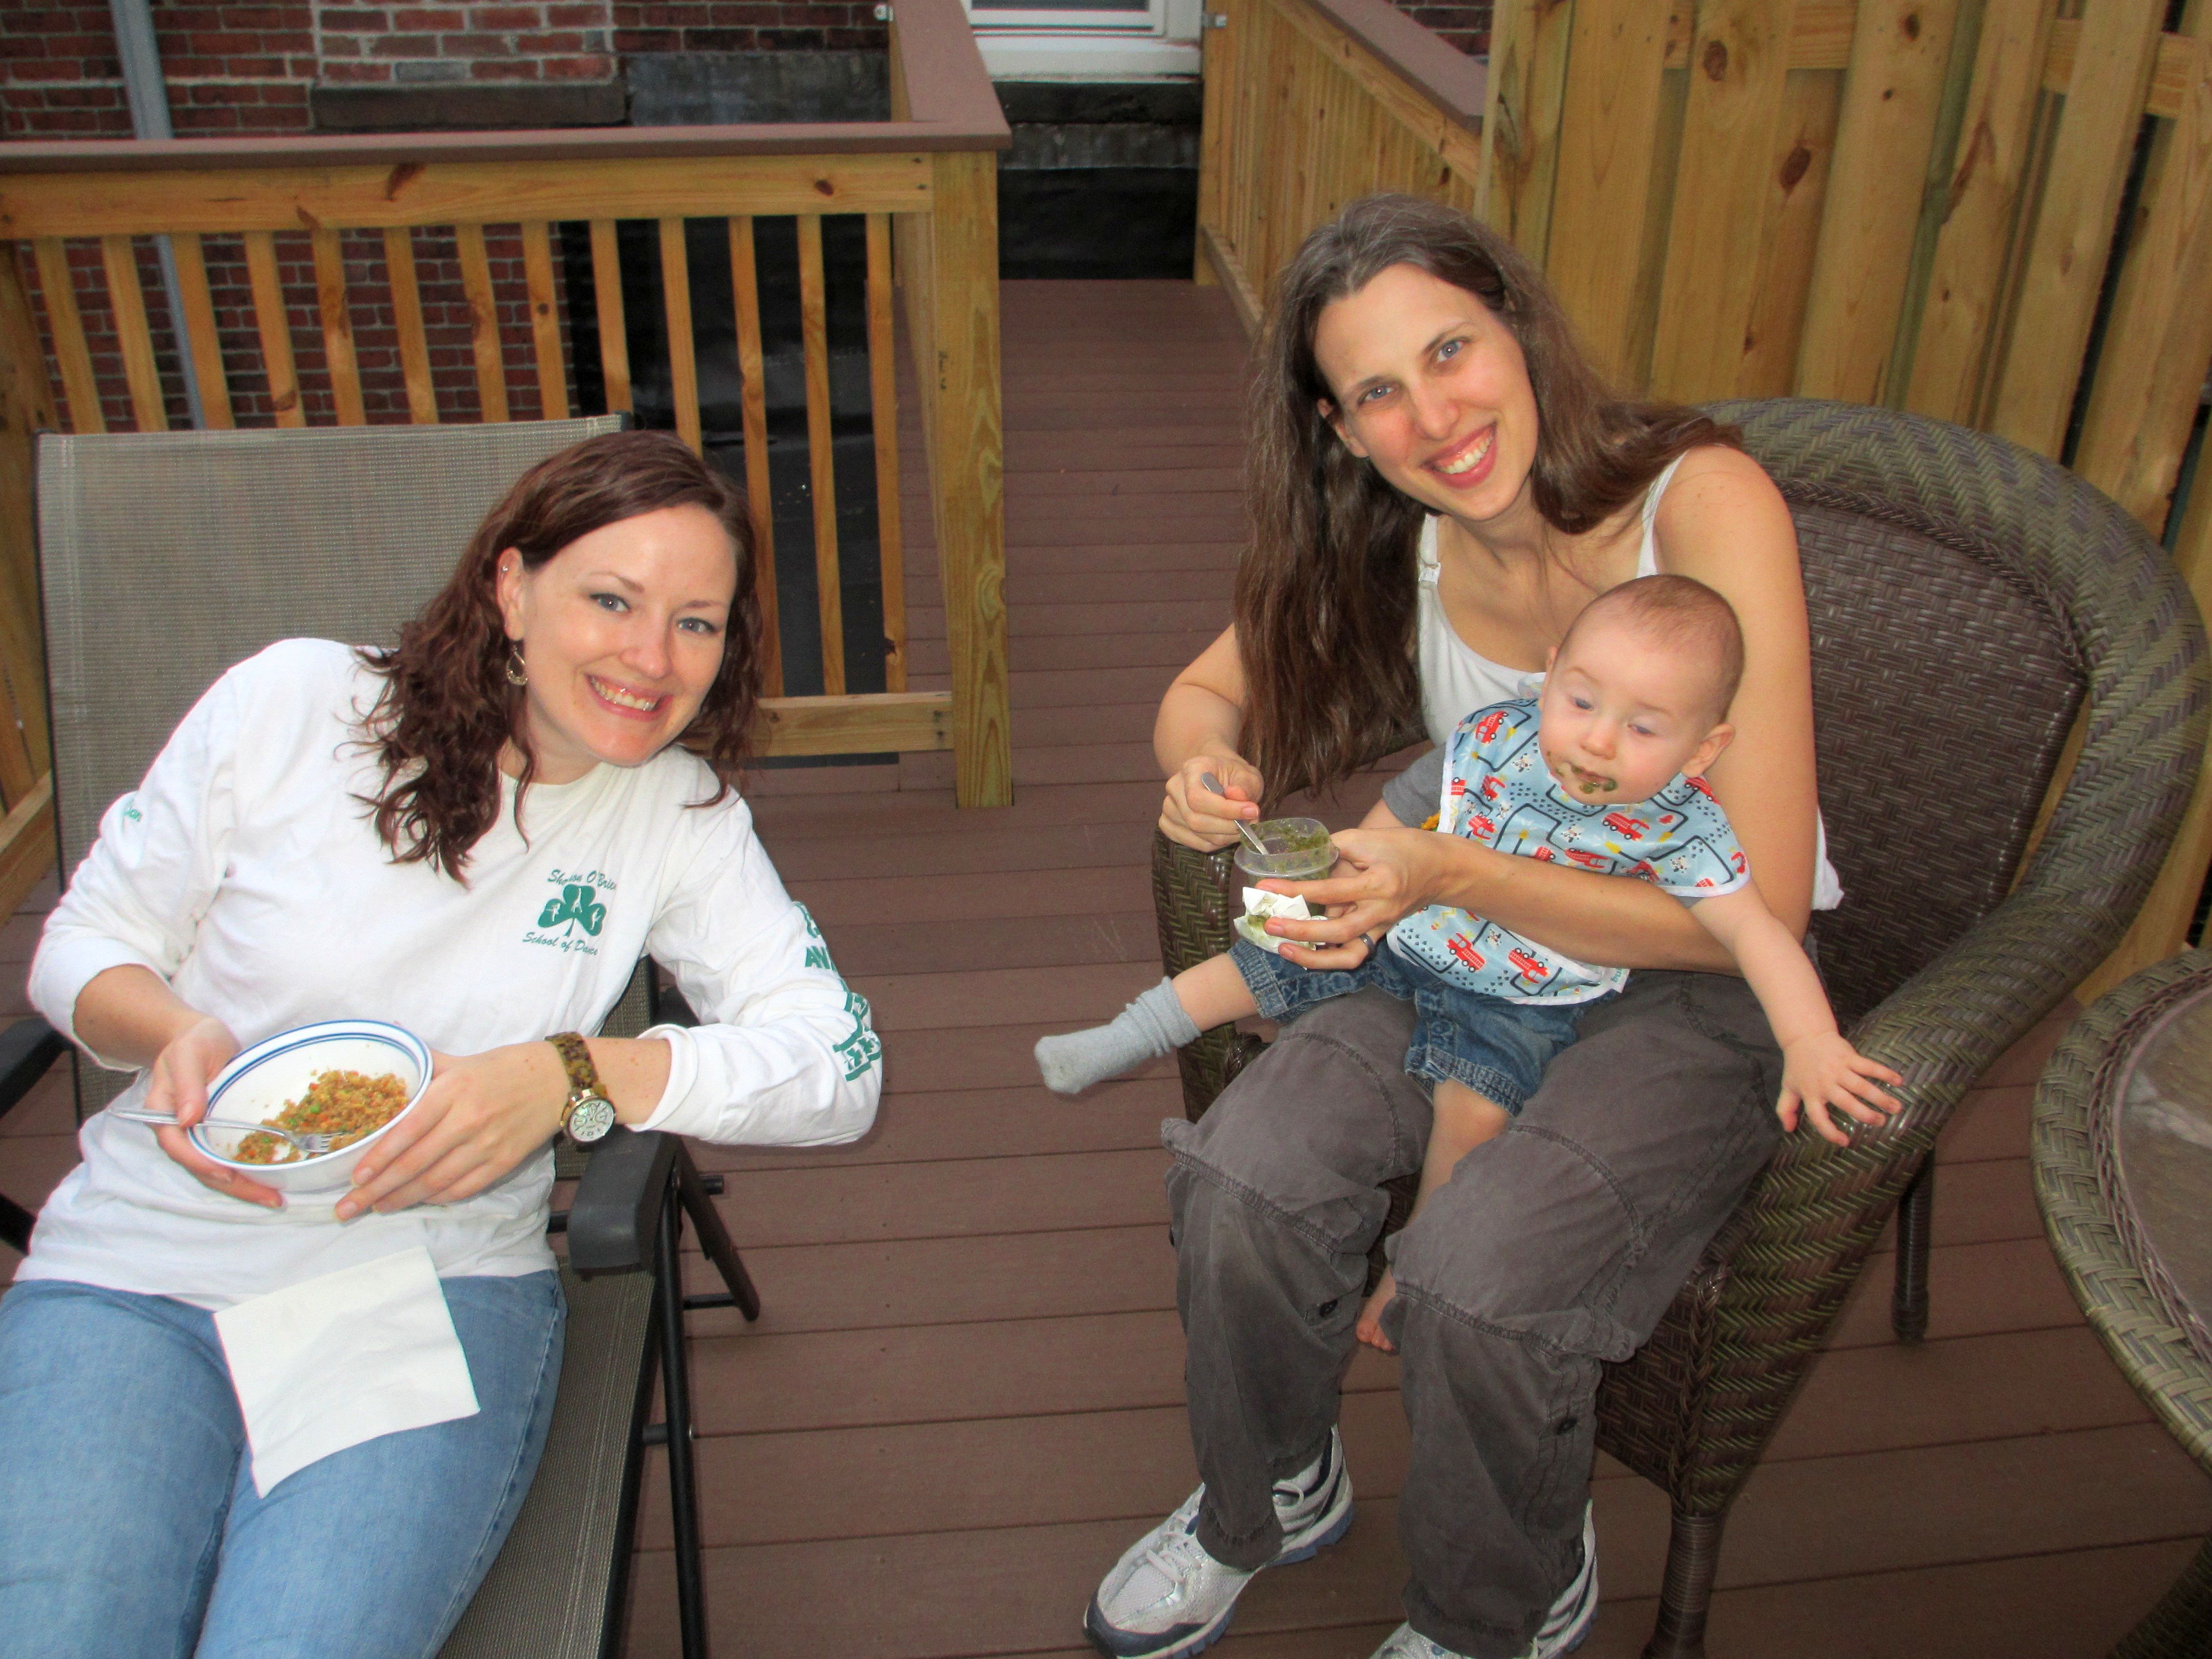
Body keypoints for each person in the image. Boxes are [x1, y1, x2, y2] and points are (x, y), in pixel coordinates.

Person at [1083, 193, 1861, 1659]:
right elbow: (1201, 695)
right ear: (1338, 430)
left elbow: (1751, 904)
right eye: (1378, 391)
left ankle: (1498, 1598)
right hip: (1467, 960)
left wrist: (1451, 875)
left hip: (1696, 981)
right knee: (1243, 1178)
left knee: (1475, 1280)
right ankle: (1269, 1493)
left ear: (1514, 326)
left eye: (1450, 350)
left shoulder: (1701, 504)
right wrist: (1201, 768)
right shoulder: (1401, 539)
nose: (1433, 417)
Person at [0, 430, 882, 1658]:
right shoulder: (293, 704)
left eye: (696, 622)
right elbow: (83, 945)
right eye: (611, 600)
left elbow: (840, 1069)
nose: (651, 658)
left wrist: (575, 1074)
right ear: (511, 589)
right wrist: (173, 1027)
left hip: (421, 1284)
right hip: (139, 1268)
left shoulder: (674, 819)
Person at [1036, 574, 1898, 1352]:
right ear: (1550, 676)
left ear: (1704, 749)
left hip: (1525, 995)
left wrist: (1811, 1040)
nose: (1598, 741)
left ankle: (1410, 1270)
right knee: (1266, 956)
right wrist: (1332, 889)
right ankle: (1128, 1034)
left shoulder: (1683, 831)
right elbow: (1387, 828)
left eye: (1643, 728)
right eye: (1581, 701)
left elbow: (1759, 936)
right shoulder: (1496, 740)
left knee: (1473, 1108)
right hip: (1418, 928)